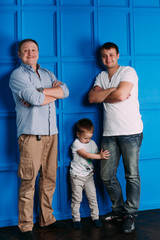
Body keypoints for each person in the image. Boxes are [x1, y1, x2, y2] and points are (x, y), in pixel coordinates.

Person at [9, 39, 69, 240]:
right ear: (19, 54)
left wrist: (42, 92)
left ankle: (47, 218)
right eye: (26, 50)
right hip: (31, 134)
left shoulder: (47, 74)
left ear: (38, 52)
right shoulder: (17, 75)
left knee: (50, 178)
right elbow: (35, 100)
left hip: (52, 133)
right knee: (29, 181)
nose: (30, 53)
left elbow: (65, 92)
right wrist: (51, 95)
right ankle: (26, 226)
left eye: (33, 49)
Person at [88, 42, 143, 233]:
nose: (108, 59)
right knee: (106, 174)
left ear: (117, 55)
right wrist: (112, 92)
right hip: (109, 133)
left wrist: (107, 93)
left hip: (131, 131)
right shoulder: (101, 76)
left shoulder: (128, 71)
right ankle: (118, 210)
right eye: (104, 56)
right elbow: (92, 98)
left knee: (132, 175)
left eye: (111, 55)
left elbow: (121, 95)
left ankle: (130, 214)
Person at [70, 118, 110, 229]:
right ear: (78, 134)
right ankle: (76, 219)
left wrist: (100, 155)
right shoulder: (76, 144)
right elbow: (86, 155)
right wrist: (100, 156)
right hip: (77, 176)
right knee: (77, 199)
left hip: (88, 176)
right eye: (85, 138)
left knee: (92, 197)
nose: (88, 140)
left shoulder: (92, 143)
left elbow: (95, 153)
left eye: (90, 138)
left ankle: (95, 217)